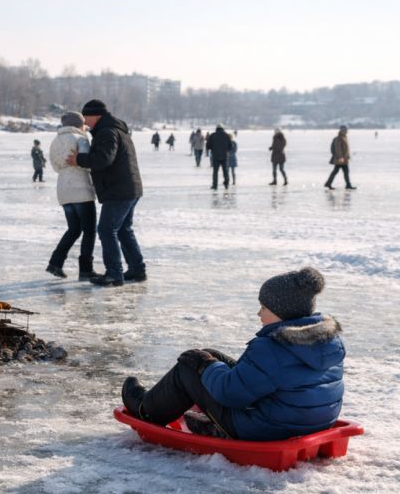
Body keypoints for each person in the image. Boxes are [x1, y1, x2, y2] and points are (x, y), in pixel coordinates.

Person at [121, 267, 344, 441]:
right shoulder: (326, 339)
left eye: (264, 308)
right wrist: (209, 361)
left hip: (265, 429)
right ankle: (202, 403)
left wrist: (203, 367)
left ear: (282, 313)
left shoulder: (272, 347)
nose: (259, 313)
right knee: (209, 355)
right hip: (313, 421)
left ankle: (145, 409)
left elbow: (231, 394)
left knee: (189, 365)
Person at [66, 99, 145, 287]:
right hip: (129, 188)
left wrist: (79, 159)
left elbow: (104, 159)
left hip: (119, 190)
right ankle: (137, 270)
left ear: (96, 115)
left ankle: (114, 274)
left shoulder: (107, 132)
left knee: (107, 229)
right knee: (124, 230)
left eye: (86, 117)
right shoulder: (116, 130)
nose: (85, 121)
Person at [46, 112, 100, 281]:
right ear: (79, 124)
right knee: (89, 231)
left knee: (74, 229)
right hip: (81, 190)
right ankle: (85, 269)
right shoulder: (80, 139)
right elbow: (86, 163)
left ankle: (55, 263)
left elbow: (55, 166)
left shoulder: (56, 141)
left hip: (63, 190)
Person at [325, 126, 356, 190]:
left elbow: (345, 149)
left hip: (344, 159)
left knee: (340, 172)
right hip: (340, 159)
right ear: (342, 131)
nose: (347, 131)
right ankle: (348, 185)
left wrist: (347, 156)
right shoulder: (339, 138)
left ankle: (329, 183)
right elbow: (338, 148)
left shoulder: (344, 137)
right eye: (345, 130)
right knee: (343, 172)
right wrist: (340, 157)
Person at [206, 124, 231, 190]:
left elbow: (208, 145)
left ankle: (215, 185)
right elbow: (230, 146)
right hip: (224, 156)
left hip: (215, 156)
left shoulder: (212, 135)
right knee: (225, 171)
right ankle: (226, 184)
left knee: (215, 172)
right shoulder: (226, 135)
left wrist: (213, 149)